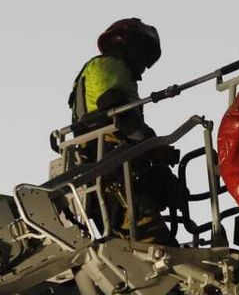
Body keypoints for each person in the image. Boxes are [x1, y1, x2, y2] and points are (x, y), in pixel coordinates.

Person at [66, 18, 179, 238]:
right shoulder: (109, 65)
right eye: (144, 53)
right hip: (114, 170)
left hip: (106, 171)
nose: (144, 66)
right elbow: (118, 114)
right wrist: (152, 145)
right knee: (153, 239)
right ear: (126, 43)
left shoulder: (102, 70)